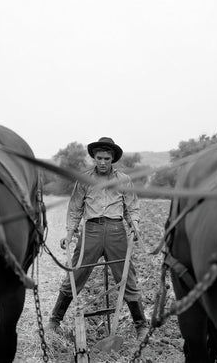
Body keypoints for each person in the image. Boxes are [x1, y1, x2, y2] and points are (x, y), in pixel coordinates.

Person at [46, 136, 149, 340]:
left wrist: (134, 225)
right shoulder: (84, 180)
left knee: (127, 277)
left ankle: (141, 325)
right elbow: (75, 209)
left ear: (112, 159)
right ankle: (54, 321)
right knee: (75, 275)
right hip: (91, 231)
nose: (102, 162)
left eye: (107, 159)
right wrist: (69, 233)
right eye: (99, 158)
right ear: (94, 157)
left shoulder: (124, 180)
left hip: (116, 231)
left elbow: (132, 208)